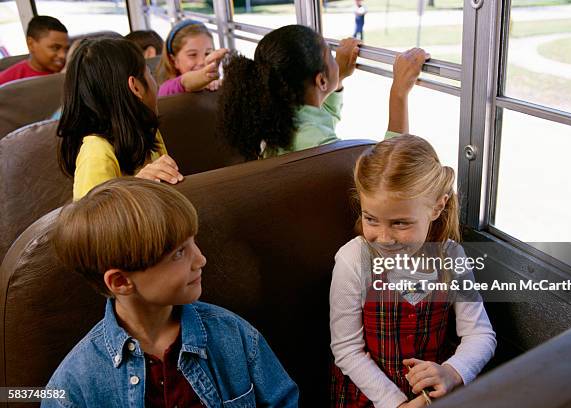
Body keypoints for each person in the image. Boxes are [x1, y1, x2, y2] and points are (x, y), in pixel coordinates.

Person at [42, 177, 299, 407]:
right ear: (120, 281)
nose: (201, 260)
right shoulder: (73, 386)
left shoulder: (235, 336)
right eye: (179, 253)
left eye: (193, 242)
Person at [329, 135, 496, 407]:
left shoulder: (450, 256)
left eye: (400, 223)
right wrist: (397, 403)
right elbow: (347, 349)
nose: (384, 237)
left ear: (436, 207)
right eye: (371, 219)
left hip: (438, 391)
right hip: (374, 396)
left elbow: (480, 335)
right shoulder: (353, 261)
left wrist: (452, 372)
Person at [219, 24, 428, 160]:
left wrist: (337, 79)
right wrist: (399, 91)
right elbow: (386, 172)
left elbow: (318, 119)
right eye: (330, 55)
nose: (336, 59)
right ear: (320, 80)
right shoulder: (317, 143)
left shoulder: (278, 122)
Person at [57, 38, 183, 200]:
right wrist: (135, 187)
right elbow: (88, 220)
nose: (156, 84)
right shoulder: (96, 153)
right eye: (149, 73)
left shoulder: (149, 130)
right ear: (136, 87)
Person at [157, 19, 227, 96]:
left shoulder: (216, 84)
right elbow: (185, 82)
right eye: (192, 55)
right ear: (174, 61)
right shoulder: (166, 89)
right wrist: (205, 78)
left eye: (207, 53)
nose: (201, 62)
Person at [0, 16, 68, 85]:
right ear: (31, 44)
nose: (63, 55)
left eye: (66, 49)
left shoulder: (70, 73)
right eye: (55, 48)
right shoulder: (6, 81)